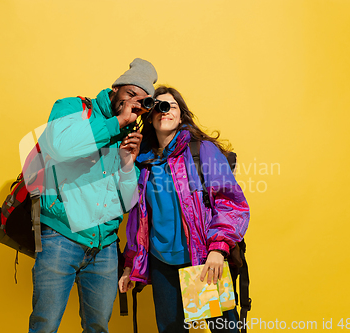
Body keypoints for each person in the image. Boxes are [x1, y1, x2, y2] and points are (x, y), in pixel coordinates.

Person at [28, 58, 158, 333]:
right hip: (62, 237)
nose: (134, 104)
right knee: (45, 325)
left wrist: (127, 164)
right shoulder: (73, 108)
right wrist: (116, 123)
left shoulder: (130, 135)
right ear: (116, 89)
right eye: (130, 94)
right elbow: (60, 147)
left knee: (98, 328)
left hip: (105, 247)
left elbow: (125, 203)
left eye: (142, 101)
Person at [119, 86, 250, 333]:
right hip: (162, 265)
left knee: (224, 330)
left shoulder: (201, 150)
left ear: (181, 115)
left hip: (202, 259)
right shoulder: (142, 160)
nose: (164, 111)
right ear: (149, 115)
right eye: (157, 106)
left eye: (171, 106)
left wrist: (218, 249)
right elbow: (139, 220)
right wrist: (130, 263)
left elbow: (230, 202)